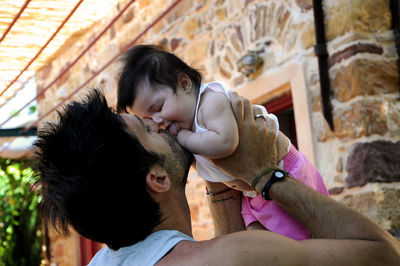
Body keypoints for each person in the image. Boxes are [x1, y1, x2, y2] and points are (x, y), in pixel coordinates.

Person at [34, 89, 400, 265]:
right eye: (149, 129)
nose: (162, 124)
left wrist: (218, 175)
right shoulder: (236, 258)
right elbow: (384, 254)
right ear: (158, 180)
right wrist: (263, 173)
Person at [116, 45, 328, 240]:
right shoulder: (184, 126)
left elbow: (226, 142)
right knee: (259, 247)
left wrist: (185, 138)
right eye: (149, 119)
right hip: (252, 193)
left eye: (159, 108)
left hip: (284, 172)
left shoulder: (210, 102)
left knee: (301, 241)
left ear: (184, 83)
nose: (158, 121)